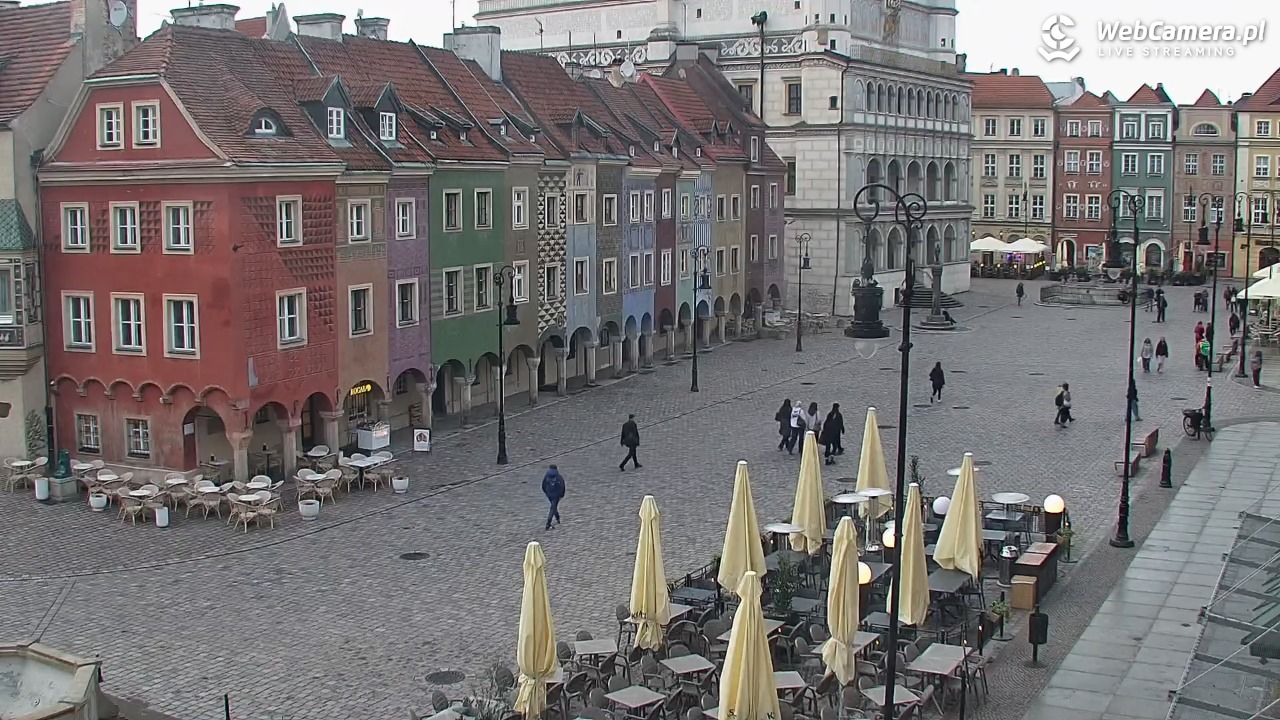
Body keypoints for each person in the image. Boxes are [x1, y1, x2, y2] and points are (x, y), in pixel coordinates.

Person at [541, 465, 565, 531]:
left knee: (553, 506)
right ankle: (548, 523)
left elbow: (543, 485)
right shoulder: (559, 477)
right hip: (556, 495)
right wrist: (561, 495)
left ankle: (557, 518)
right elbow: (562, 486)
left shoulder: (546, 476)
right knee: (553, 507)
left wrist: (546, 493)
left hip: (549, 494)